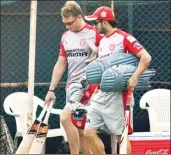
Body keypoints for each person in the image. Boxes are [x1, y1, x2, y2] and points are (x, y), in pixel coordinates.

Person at [84, 6, 152, 154]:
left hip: (118, 95)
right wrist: (98, 87)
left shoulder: (124, 37)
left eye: (96, 22)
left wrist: (134, 77)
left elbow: (146, 58)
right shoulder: (102, 42)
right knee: (88, 132)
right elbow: (103, 69)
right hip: (101, 94)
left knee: (119, 135)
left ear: (104, 22)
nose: (95, 26)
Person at [44, 1, 102, 154]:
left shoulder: (94, 33)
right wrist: (51, 89)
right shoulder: (66, 36)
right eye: (64, 23)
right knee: (81, 130)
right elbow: (61, 63)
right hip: (72, 86)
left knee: (65, 118)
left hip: (88, 87)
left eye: (69, 23)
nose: (67, 26)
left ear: (79, 17)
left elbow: (107, 58)